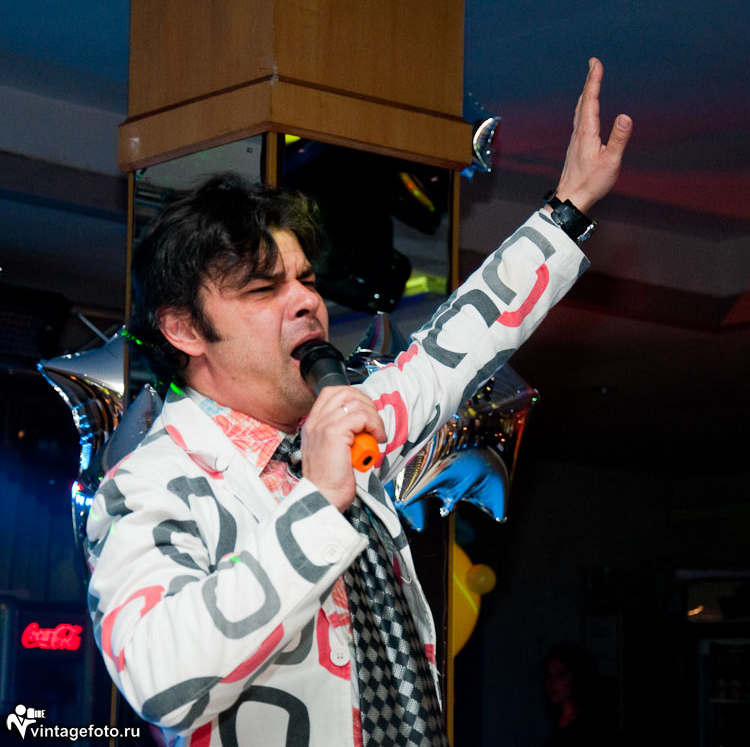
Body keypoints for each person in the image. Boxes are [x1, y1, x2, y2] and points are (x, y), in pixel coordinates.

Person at [86, 58, 632, 747]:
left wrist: (566, 210)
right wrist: (317, 501)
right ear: (184, 329)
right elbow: (162, 680)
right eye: (263, 289)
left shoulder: (346, 424)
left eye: (306, 279)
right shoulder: (151, 483)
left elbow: (453, 348)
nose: (305, 301)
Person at [543, 644, 622, 746]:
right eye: (549, 675)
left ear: (577, 677)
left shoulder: (592, 721)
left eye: (560, 676)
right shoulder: (556, 717)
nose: (551, 683)